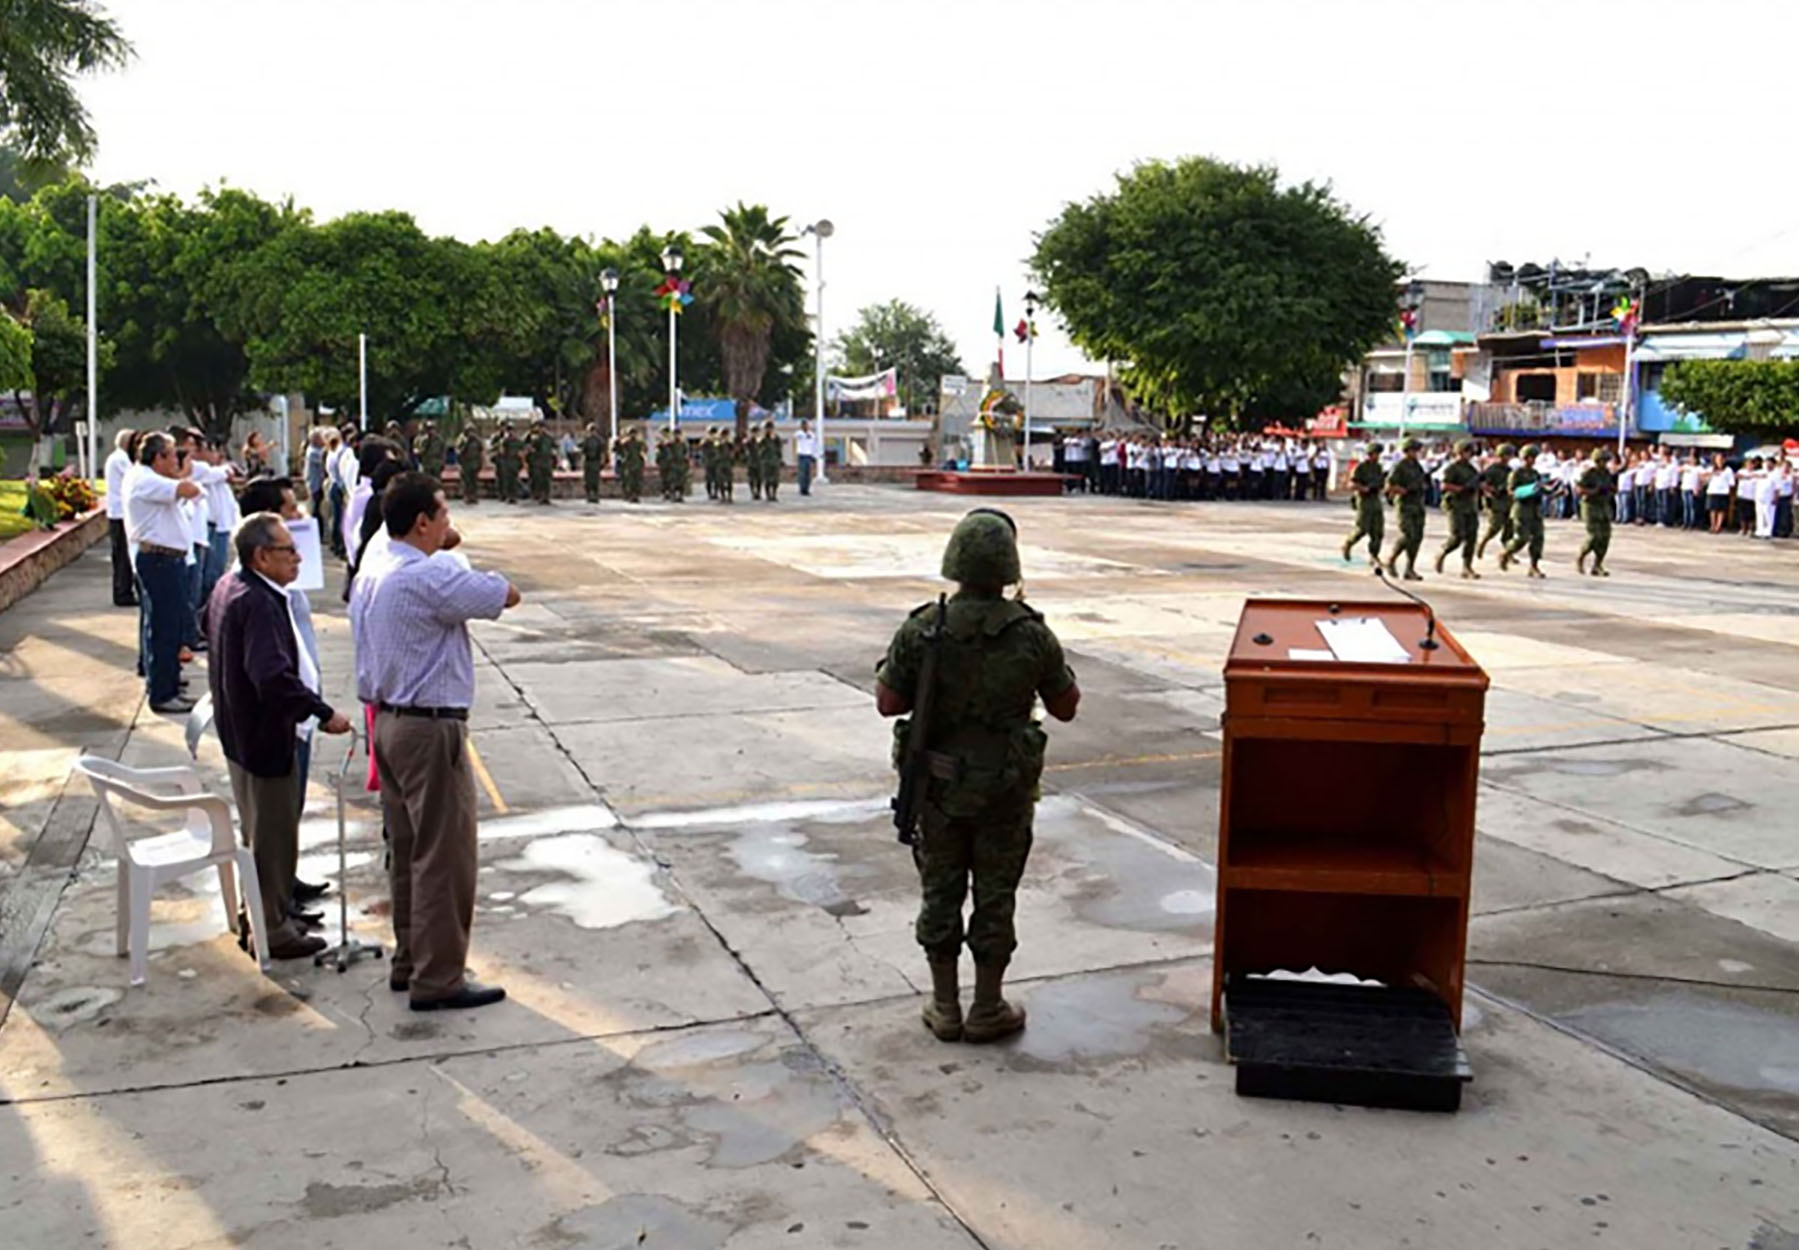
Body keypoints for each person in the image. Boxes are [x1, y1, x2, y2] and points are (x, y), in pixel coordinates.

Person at [875, 509, 1080, 1043]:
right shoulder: (1031, 635)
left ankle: (945, 1006)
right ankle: (987, 1006)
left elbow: (887, 701)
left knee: (940, 891)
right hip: (1004, 792)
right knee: (995, 895)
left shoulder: (923, 628)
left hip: (938, 791)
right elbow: (1067, 707)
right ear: (1009, 568)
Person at [350, 472, 521, 1011]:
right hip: (429, 728)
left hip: (390, 723)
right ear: (422, 522)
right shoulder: (426, 576)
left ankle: (412, 960)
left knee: (407, 851)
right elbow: (506, 593)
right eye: (444, 515)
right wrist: (450, 556)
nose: (451, 525)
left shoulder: (375, 567)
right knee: (444, 857)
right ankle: (439, 977)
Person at [208, 512, 351, 960]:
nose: (298, 557)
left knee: (263, 831)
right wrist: (321, 712)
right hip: (263, 738)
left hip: (242, 735)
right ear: (262, 556)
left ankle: (267, 915)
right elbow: (271, 677)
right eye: (289, 550)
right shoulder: (257, 601)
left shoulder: (233, 587)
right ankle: (271, 929)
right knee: (272, 837)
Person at [126, 433, 204, 713]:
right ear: (157, 458)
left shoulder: (149, 478)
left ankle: (166, 681)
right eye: (172, 455)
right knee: (164, 629)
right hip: (160, 561)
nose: (177, 460)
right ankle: (162, 692)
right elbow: (189, 489)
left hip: (165, 560)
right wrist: (184, 473)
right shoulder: (147, 480)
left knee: (165, 626)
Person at [1383, 437, 1429, 580]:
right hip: (1405, 505)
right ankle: (1390, 560)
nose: (1417, 453)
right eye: (1414, 450)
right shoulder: (1400, 466)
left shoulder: (1417, 466)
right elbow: (1389, 486)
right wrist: (1403, 490)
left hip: (1418, 505)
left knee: (1417, 537)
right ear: (1407, 451)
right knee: (1408, 535)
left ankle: (1410, 568)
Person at [1434, 440, 1482, 579]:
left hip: (1470, 506)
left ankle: (1467, 567)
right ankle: (1442, 552)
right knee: (1457, 537)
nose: (1468, 455)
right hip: (1456, 505)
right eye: (1466, 452)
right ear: (1459, 452)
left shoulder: (1472, 469)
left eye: (1470, 452)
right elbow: (1444, 486)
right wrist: (1460, 488)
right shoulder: (1452, 468)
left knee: (1472, 537)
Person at [1499, 444, 1548, 578]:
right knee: (1522, 538)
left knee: (1538, 538)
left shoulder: (1535, 474)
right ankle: (1506, 553)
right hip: (1522, 509)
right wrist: (1527, 490)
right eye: (1530, 457)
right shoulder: (1516, 474)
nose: (1532, 460)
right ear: (1524, 458)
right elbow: (1511, 492)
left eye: (1534, 458)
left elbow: (1542, 489)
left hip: (1535, 510)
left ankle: (1534, 566)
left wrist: (1553, 491)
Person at [104, 427, 140, 607]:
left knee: (123, 554)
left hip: (119, 513)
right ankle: (122, 592)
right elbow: (134, 475)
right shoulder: (120, 459)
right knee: (123, 556)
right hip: (119, 514)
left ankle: (124, 589)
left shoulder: (118, 458)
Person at [1341, 442, 1386, 572]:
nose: (1377, 456)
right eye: (1376, 454)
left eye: (1378, 454)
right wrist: (1363, 488)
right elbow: (1351, 484)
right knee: (1362, 528)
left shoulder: (1378, 467)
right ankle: (1348, 544)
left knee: (1378, 531)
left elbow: (1381, 482)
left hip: (1375, 499)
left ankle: (1374, 555)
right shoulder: (1361, 467)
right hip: (1364, 500)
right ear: (1370, 454)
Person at [1575, 448, 1617, 577]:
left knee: (1605, 537)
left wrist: (1611, 491)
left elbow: (1612, 488)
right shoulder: (1589, 473)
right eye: (1602, 461)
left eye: (1606, 461)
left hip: (1603, 507)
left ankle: (1597, 565)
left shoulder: (1607, 474)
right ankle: (1581, 557)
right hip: (1590, 507)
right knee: (1594, 536)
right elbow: (1579, 489)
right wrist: (1594, 491)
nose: (1604, 464)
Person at [1476, 443, 1516, 560]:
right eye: (1507, 455)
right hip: (1495, 502)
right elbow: (1483, 484)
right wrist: (1493, 491)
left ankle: (1508, 553)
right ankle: (1482, 543)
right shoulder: (1492, 469)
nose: (1509, 458)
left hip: (1508, 501)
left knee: (1510, 529)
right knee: (1495, 527)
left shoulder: (1509, 470)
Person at [526, 421, 556, 505]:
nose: (541, 429)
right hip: (538, 462)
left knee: (547, 480)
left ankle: (546, 496)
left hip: (547, 461)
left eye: (542, 427)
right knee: (539, 479)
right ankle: (540, 495)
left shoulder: (549, 438)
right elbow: (530, 447)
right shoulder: (535, 438)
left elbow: (555, 447)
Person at [1704, 452, 1734, 534]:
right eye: (1718, 459)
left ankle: (1718, 526)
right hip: (1712, 491)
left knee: (1721, 510)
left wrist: (1731, 494)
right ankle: (1712, 525)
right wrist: (1710, 474)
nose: (1719, 461)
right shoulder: (1711, 469)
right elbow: (1703, 477)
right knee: (1713, 509)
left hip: (1723, 492)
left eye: (1721, 459)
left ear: (1724, 460)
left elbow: (1732, 483)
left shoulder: (1728, 470)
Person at [457, 425, 485, 505]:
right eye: (469, 431)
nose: (471, 433)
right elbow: (458, 451)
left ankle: (474, 496)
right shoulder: (462, 440)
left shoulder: (477, 441)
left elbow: (481, 451)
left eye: (472, 431)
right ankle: (467, 496)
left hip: (475, 463)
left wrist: (482, 463)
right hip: (466, 464)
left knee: (474, 481)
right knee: (467, 481)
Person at [617, 427, 645, 503]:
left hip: (637, 463)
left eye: (634, 433)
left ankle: (635, 495)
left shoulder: (639, 443)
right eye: (631, 433)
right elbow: (617, 450)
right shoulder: (625, 443)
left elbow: (644, 450)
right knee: (629, 480)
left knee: (637, 480)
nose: (633, 435)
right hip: (628, 463)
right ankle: (629, 495)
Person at [581, 423, 607, 504]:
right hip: (589, 461)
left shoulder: (599, 440)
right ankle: (589, 495)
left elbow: (602, 452)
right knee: (588, 480)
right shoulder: (586, 440)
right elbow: (583, 452)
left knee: (595, 480)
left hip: (595, 461)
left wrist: (602, 462)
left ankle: (595, 495)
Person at [760, 421, 782, 502]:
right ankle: (768, 495)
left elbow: (779, 449)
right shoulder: (763, 439)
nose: (769, 430)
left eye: (771, 428)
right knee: (767, 479)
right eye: (768, 428)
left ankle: (774, 494)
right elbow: (760, 450)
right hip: (766, 461)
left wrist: (779, 459)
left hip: (775, 461)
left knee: (775, 480)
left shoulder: (776, 438)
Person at [796, 419, 819, 496]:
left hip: (809, 455)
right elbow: (797, 436)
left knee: (808, 474)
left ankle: (807, 489)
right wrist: (804, 434)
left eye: (807, 425)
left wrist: (815, 455)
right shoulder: (799, 433)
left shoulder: (812, 435)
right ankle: (802, 489)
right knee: (802, 473)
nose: (806, 426)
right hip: (802, 455)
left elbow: (814, 446)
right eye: (804, 425)